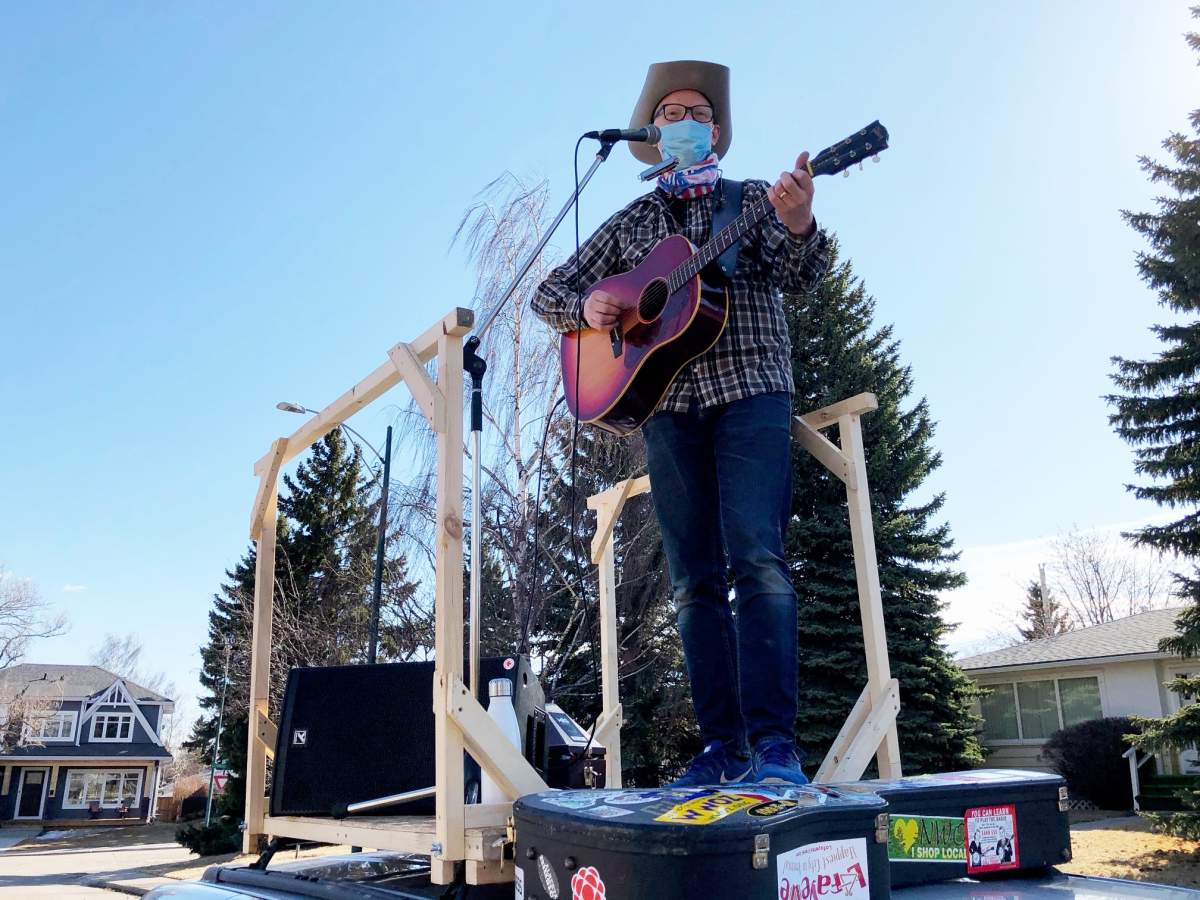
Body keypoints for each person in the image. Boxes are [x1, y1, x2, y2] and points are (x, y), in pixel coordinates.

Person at [531, 60, 830, 786]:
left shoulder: (751, 200)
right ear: (651, 134)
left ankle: (774, 748)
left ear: (716, 131)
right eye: (668, 114)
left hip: (750, 388)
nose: (681, 122)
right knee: (693, 580)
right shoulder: (631, 222)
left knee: (757, 558)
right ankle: (719, 749)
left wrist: (798, 223)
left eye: (695, 112)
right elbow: (550, 291)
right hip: (666, 406)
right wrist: (591, 308)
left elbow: (802, 274)